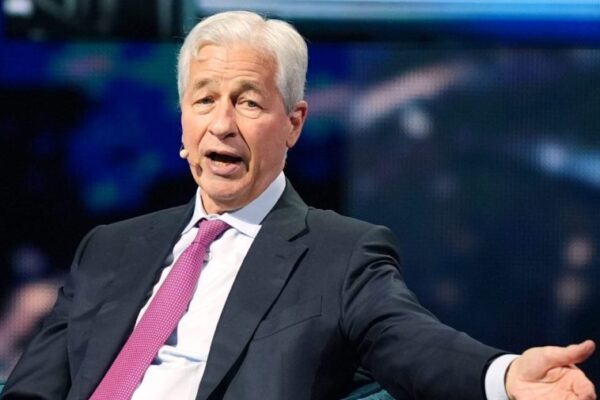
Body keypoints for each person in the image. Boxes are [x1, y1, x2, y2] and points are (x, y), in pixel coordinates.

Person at [1, 10, 596, 400]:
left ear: (293, 123)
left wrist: (506, 375)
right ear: (183, 124)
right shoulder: (108, 248)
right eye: (204, 101)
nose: (222, 125)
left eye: (248, 103)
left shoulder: (341, 255)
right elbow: (34, 387)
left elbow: (411, 342)